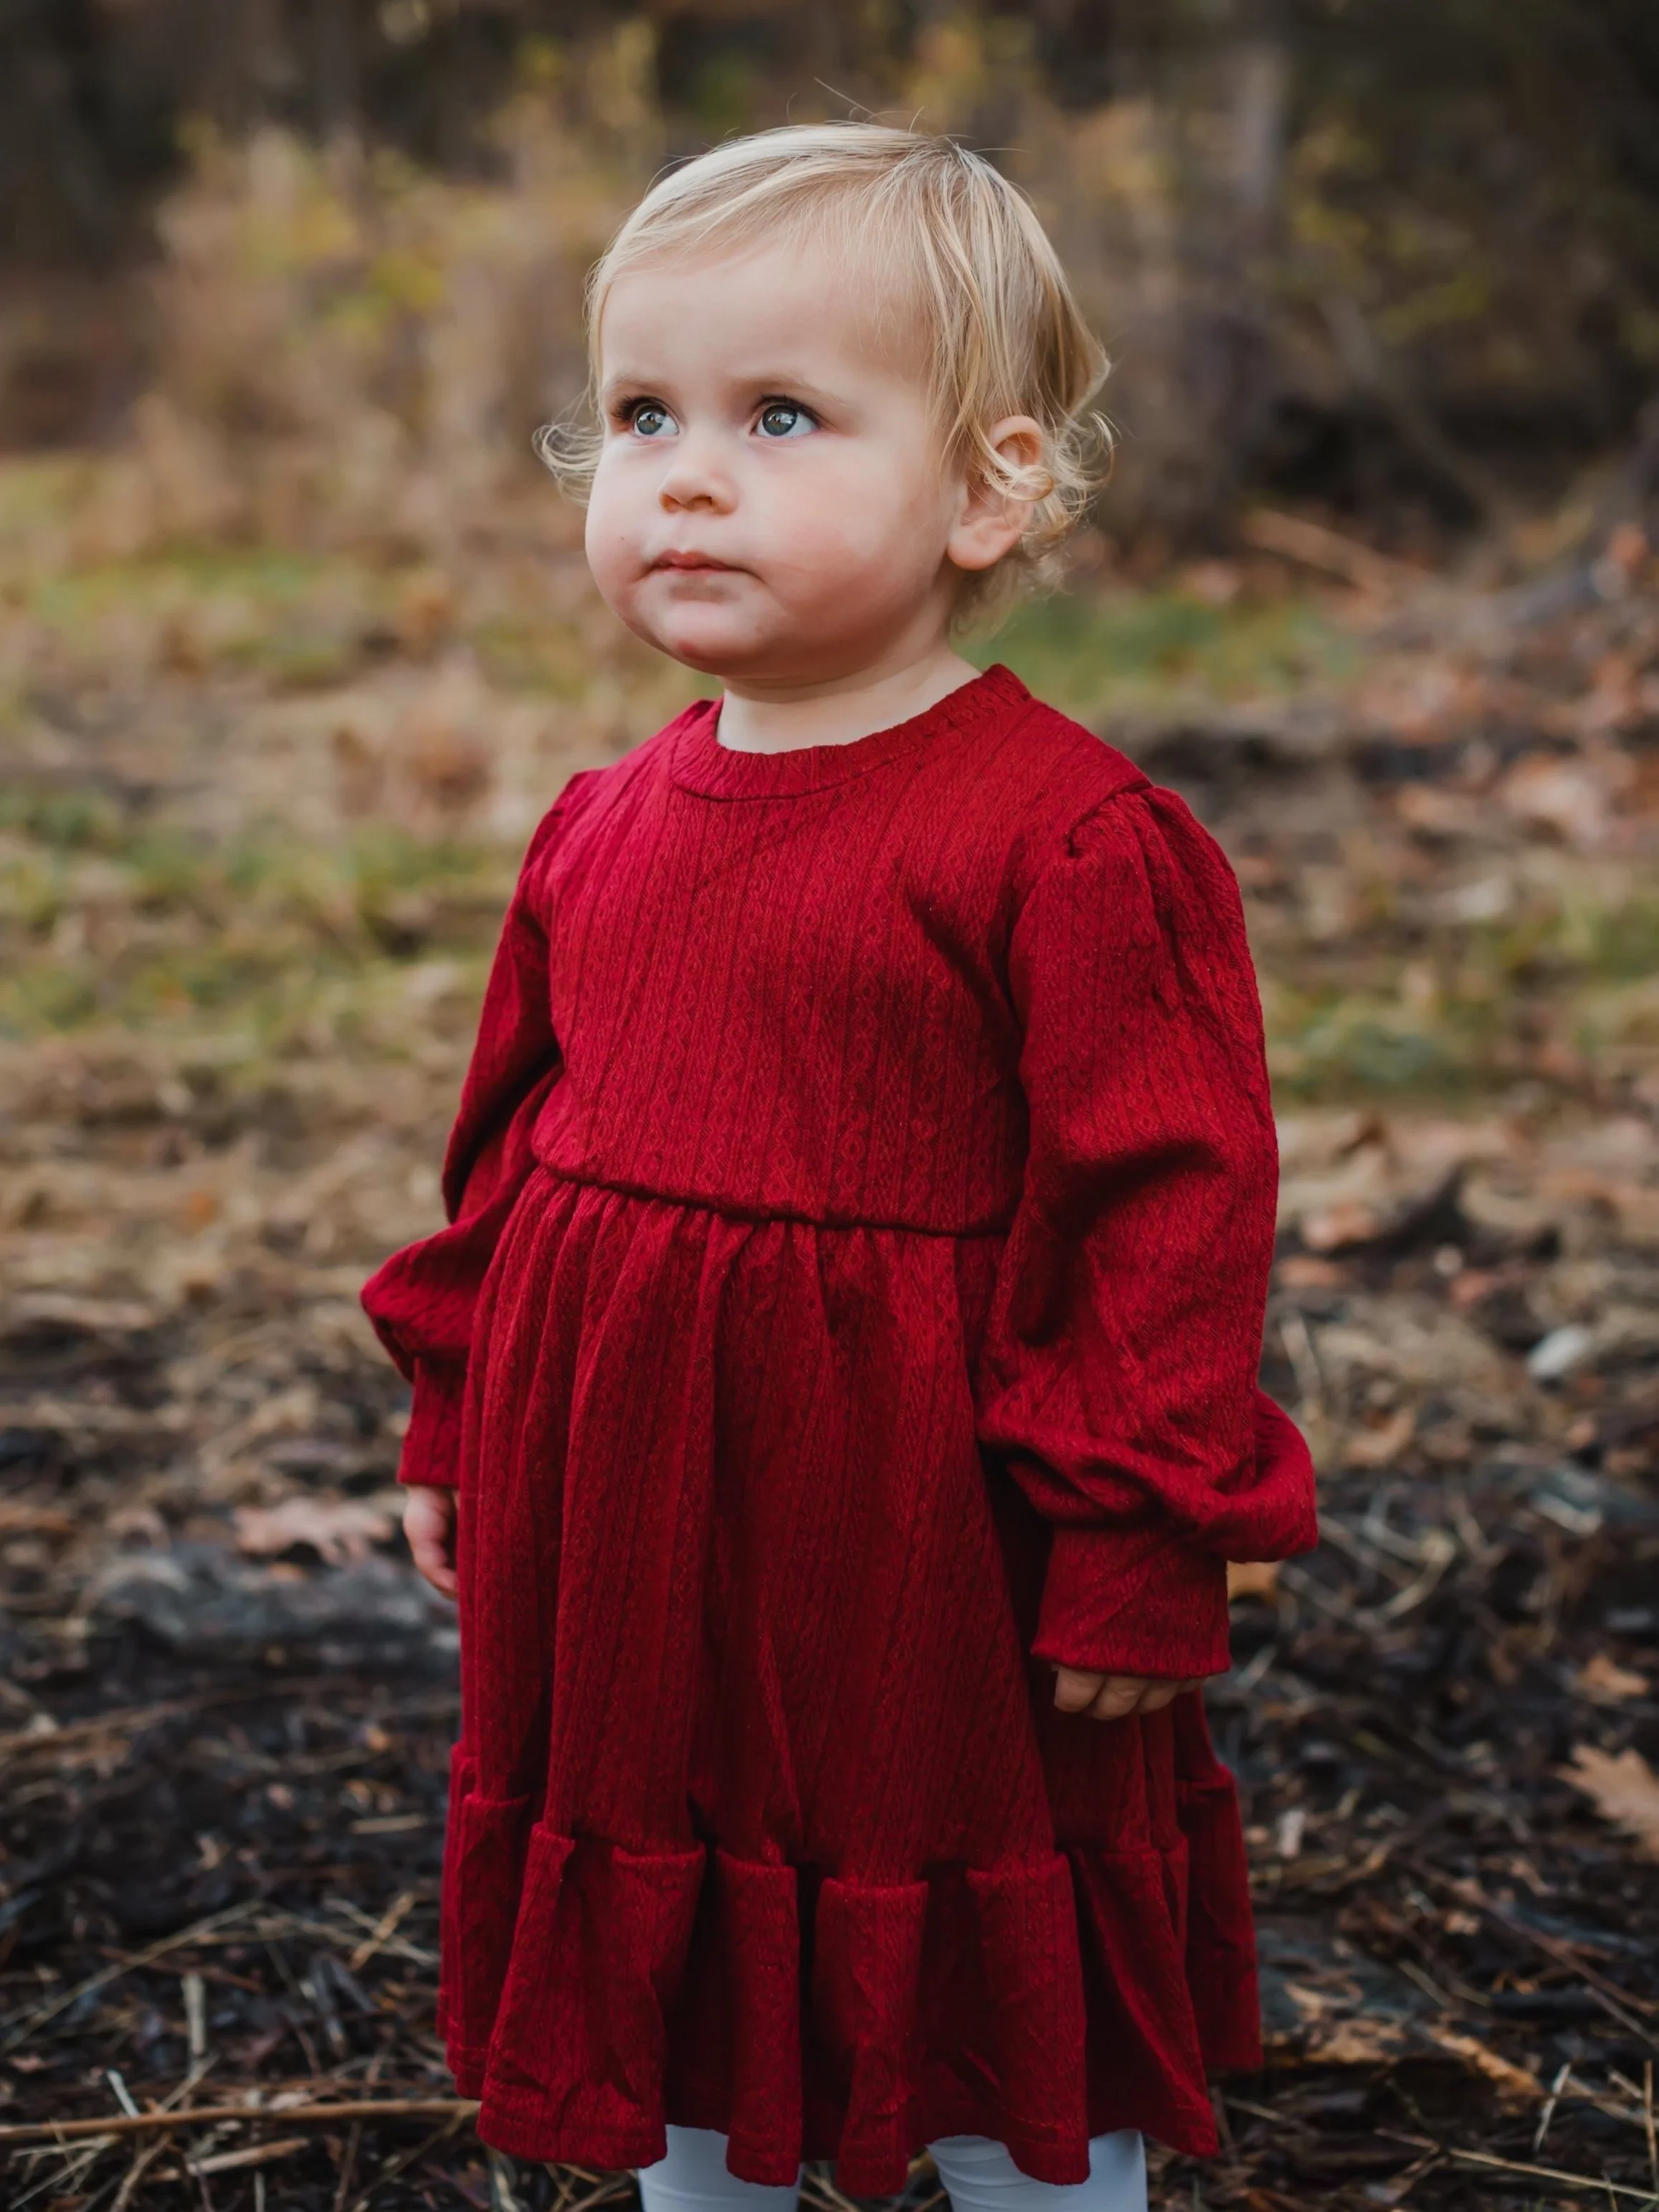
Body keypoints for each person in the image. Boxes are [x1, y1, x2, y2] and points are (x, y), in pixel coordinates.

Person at [361, 122, 1317, 2212]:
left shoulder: (1064, 842)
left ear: (992, 485)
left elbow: (1169, 1208)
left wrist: (1146, 1535)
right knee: (679, 1906)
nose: (684, 474)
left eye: (780, 414)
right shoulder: (602, 822)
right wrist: (454, 1409)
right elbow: (510, 1158)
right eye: (640, 415)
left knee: (968, 1922)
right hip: (636, 1527)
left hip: (920, 1534)